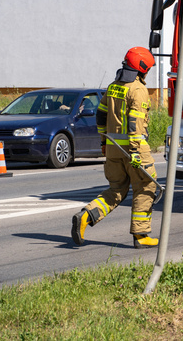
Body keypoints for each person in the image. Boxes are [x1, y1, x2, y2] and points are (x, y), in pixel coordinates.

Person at [72, 47, 159, 249]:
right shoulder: (137, 89)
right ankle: (141, 236)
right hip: (133, 150)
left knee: (116, 190)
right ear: (142, 68)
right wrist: (136, 152)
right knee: (146, 187)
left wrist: (104, 143)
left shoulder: (113, 87)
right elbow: (135, 123)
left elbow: (101, 115)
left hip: (113, 150)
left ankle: (86, 216)